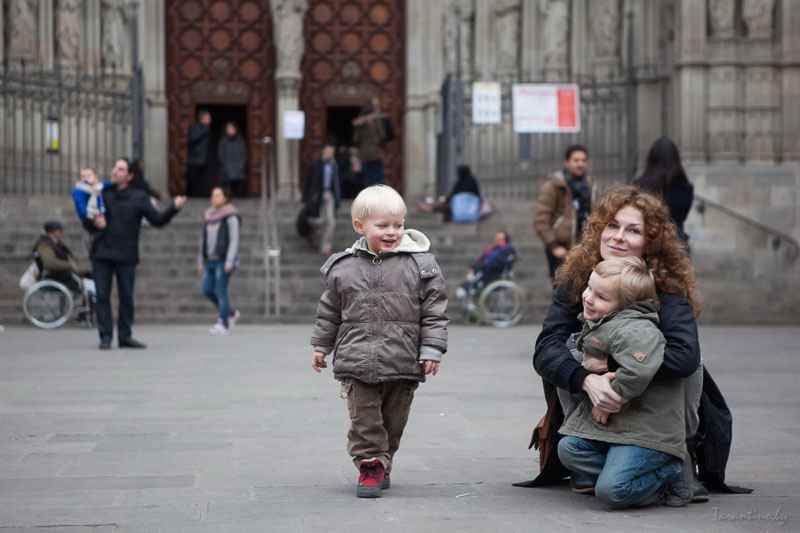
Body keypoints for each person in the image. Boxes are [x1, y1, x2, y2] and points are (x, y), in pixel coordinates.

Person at [523, 186, 750, 501]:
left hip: (652, 411)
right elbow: (546, 347)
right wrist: (587, 379)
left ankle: (674, 456)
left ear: (650, 242)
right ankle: (595, 448)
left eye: (633, 230)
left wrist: (613, 367)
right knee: (570, 348)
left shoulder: (666, 287)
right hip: (593, 402)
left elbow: (684, 356)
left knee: (694, 362)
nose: (618, 237)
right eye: (613, 226)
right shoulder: (579, 279)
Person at [310, 185, 448, 498]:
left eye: (398, 225)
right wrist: (321, 346)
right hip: (356, 359)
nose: (392, 232)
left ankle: (384, 460)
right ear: (359, 225)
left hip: (403, 359)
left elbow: (434, 312)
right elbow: (329, 312)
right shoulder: (344, 268)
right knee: (365, 420)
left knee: (393, 422)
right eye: (383, 225)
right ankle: (370, 464)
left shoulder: (420, 265)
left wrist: (431, 349)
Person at [556, 256, 691, 508]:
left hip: (647, 431)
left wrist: (607, 402)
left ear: (626, 305)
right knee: (569, 449)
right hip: (621, 427)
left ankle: (671, 474)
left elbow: (637, 371)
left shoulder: (636, 330)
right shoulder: (606, 320)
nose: (588, 297)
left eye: (601, 296)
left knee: (612, 492)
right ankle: (622, 471)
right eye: (589, 288)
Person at [86, 158, 187, 350]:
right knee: (102, 296)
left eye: (121, 169)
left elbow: (157, 220)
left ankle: (125, 336)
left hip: (126, 255)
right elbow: (88, 218)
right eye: (115, 168)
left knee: (126, 297)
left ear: (130, 176)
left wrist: (173, 208)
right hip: (102, 253)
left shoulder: (139, 197)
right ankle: (105, 336)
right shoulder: (103, 193)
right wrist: (94, 222)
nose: (115, 171)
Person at [534, 144, 593, 280]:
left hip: (584, 246)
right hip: (561, 247)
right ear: (567, 162)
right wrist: (553, 246)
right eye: (576, 160)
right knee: (562, 285)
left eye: (583, 160)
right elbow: (541, 219)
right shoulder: (553, 186)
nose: (580, 164)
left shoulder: (590, 185)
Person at [635, 137, 694, 246]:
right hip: (675, 240)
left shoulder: (640, 185)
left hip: (648, 240)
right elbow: (682, 216)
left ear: (652, 158)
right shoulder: (685, 186)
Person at [199, 186, 241, 336]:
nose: (215, 198)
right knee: (206, 289)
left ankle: (223, 323)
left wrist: (230, 260)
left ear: (224, 198)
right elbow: (202, 239)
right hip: (210, 259)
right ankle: (230, 313)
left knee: (221, 290)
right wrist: (200, 259)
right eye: (213, 195)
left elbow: (234, 240)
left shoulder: (231, 216)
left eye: (218, 195)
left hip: (223, 260)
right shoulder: (208, 215)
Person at [303, 143, 341, 255]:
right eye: (328, 151)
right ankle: (313, 239)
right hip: (317, 196)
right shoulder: (315, 165)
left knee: (331, 222)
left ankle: (325, 247)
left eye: (332, 152)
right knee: (318, 222)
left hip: (329, 194)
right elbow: (309, 182)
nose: (330, 154)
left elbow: (336, 183)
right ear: (323, 151)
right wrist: (307, 198)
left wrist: (337, 199)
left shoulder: (334, 165)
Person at [456, 230, 515, 300]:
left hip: (494, 272)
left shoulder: (507, 249)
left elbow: (496, 263)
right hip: (485, 269)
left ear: (505, 240)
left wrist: (480, 266)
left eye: (500, 239)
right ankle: (468, 289)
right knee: (472, 277)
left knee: (475, 279)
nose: (497, 240)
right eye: (496, 239)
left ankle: (469, 290)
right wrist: (474, 266)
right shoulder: (493, 249)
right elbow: (482, 258)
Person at [32, 221, 85, 294]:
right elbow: (49, 263)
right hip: (53, 276)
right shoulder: (44, 244)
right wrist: (69, 265)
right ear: (52, 232)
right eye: (59, 230)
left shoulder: (56, 243)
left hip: (62, 274)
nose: (62, 232)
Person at [352, 98, 387, 186]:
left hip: (368, 156)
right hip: (372, 156)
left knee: (370, 181)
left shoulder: (363, 123)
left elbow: (356, 139)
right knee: (375, 181)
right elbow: (382, 136)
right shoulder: (369, 122)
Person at [186, 110, 212, 197]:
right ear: (202, 119)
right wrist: (204, 130)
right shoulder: (196, 127)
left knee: (203, 179)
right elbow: (193, 138)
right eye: (208, 118)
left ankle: (201, 195)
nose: (210, 120)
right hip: (195, 159)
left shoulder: (207, 129)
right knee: (193, 179)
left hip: (204, 159)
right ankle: (191, 196)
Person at [217, 122, 248, 197]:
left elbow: (243, 153)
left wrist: (241, 164)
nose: (230, 130)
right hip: (227, 166)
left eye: (232, 128)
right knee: (227, 185)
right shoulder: (223, 141)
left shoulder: (240, 140)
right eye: (228, 129)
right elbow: (220, 154)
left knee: (238, 185)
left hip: (238, 166)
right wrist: (224, 164)